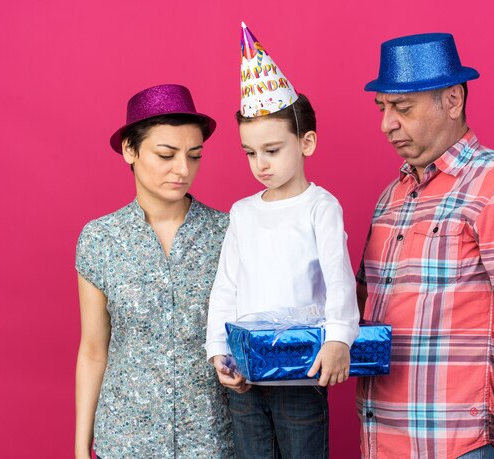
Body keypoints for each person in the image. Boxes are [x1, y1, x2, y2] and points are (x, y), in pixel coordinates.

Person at [356, 33, 494, 459]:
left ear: (452, 100)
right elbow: (356, 309)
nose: (386, 124)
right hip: (382, 443)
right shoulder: (390, 198)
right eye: (383, 108)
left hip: (458, 447)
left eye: (403, 108)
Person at [205, 23, 360, 459]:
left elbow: (338, 278)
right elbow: (227, 286)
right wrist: (219, 349)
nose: (261, 164)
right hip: (246, 372)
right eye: (250, 153)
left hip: (300, 371)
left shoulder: (320, 207)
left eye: (272, 150)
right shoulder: (243, 212)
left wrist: (339, 338)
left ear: (305, 142)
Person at [74, 84, 234, 458]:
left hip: (213, 438)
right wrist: (82, 449)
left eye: (194, 156)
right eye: (166, 154)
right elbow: (94, 350)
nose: (183, 170)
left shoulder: (228, 232)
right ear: (130, 149)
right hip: (125, 440)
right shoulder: (100, 239)